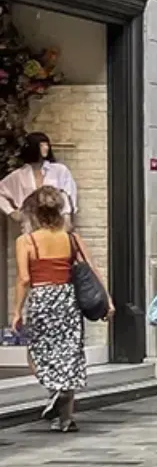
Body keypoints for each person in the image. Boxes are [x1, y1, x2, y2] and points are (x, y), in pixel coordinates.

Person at [9, 184, 104, 431]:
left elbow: (24, 279)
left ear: (34, 213)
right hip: (67, 298)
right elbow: (91, 270)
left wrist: (17, 310)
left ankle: (54, 390)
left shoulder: (27, 241)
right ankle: (66, 418)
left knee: (37, 352)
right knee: (69, 353)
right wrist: (108, 301)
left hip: (42, 298)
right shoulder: (72, 238)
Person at [0, 132, 77, 228]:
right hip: (31, 224)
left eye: (46, 144)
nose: (46, 148)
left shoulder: (59, 170)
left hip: (57, 223)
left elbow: (68, 194)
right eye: (41, 145)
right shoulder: (20, 175)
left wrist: (67, 216)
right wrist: (11, 212)